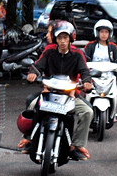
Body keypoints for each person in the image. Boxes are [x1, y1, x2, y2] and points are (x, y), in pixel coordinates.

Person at [25, 21, 94, 161]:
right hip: (49, 92)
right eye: (59, 38)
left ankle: (77, 145)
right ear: (55, 39)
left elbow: (85, 71)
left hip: (70, 94)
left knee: (88, 112)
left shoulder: (77, 54)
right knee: (32, 105)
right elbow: (38, 66)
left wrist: (87, 82)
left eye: (65, 38)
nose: (62, 41)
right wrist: (32, 73)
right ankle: (28, 139)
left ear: (70, 39)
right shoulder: (49, 52)